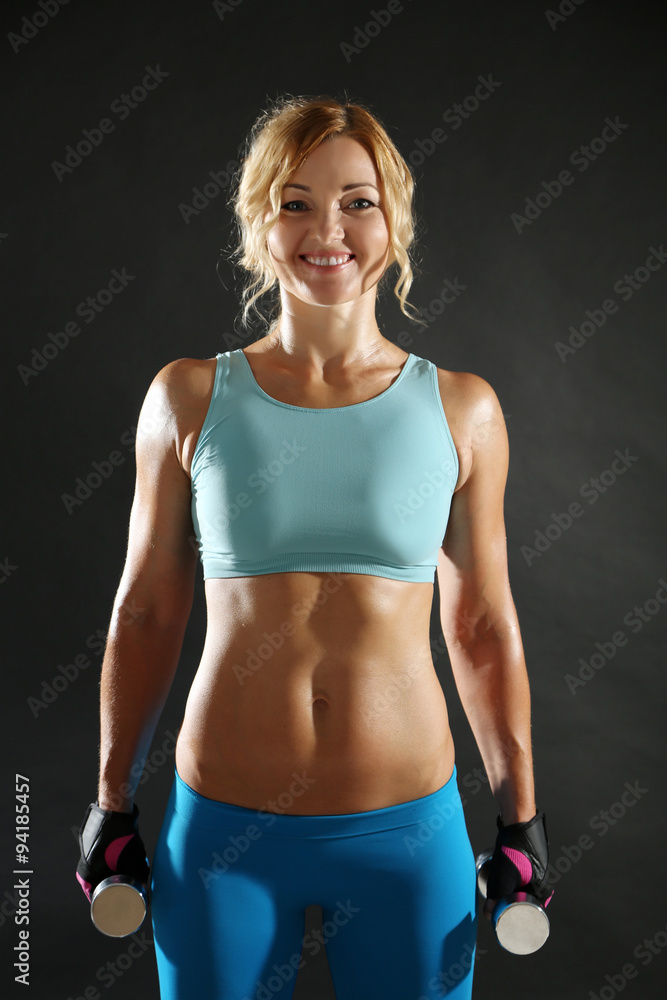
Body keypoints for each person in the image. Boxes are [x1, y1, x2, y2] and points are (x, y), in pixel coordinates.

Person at [76, 94, 551, 999]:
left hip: (406, 838)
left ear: (392, 221)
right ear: (259, 221)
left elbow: (483, 624)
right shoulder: (185, 398)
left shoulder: (462, 409)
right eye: (295, 201)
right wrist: (111, 802)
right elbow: (144, 611)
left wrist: (519, 818)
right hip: (224, 835)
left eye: (356, 201)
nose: (326, 228)